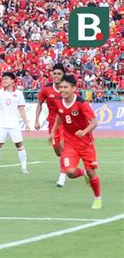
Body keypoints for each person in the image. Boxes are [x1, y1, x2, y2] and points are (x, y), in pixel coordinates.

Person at [50, 75, 101, 209]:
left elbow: (95, 122)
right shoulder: (59, 102)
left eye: (65, 87)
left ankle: (97, 198)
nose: (62, 90)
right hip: (70, 143)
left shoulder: (81, 103)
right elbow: (59, 117)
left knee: (92, 173)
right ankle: (83, 173)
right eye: (60, 87)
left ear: (74, 88)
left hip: (85, 143)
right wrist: (53, 132)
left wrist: (84, 132)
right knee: (70, 173)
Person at [0, 72, 31, 175]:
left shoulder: (19, 94)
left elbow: (21, 109)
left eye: (6, 78)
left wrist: (26, 123)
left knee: (19, 145)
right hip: (1, 124)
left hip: (14, 124)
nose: (4, 80)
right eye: (3, 79)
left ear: (12, 81)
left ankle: (24, 167)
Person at [35, 63, 67, 187]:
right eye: (55, 73)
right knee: (58, 152)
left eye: (59, 74)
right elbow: (39, 104)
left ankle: (62, 177)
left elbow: (77, 103)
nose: (56, 76)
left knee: (64, 149)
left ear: (63, 75)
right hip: (53, 125)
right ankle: (72, 163)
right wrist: (36, 120)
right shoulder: (47, 90)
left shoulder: (68, 88)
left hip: (66, 124)